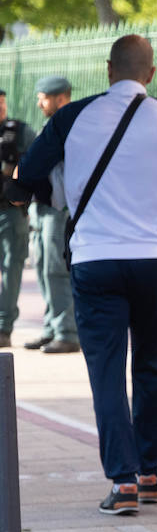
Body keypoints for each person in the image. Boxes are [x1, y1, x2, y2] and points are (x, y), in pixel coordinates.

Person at [13, 35, 157, 515]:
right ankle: (152, 473)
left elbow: (26, 179)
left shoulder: (72, 117)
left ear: (108, 69)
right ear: (150, 74)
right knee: (153, 364)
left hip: (96, 259)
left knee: (107, 372)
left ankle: (124, 481)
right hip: (155, 259)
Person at [25, 76, 80, 355]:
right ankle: (51, 328)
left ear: (61, 98)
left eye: (43, 97)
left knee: (56, 271)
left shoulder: (71, 125)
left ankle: (66, 332)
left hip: (59, 209)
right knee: (43, 268)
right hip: (43, 207)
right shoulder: (53, 125)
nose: (39, 103)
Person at [0, 90, 34, 349]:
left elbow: (35, 163)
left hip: (10, 213)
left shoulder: (19, 131)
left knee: (11, 269)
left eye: (2, 103)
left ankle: (3, 327)